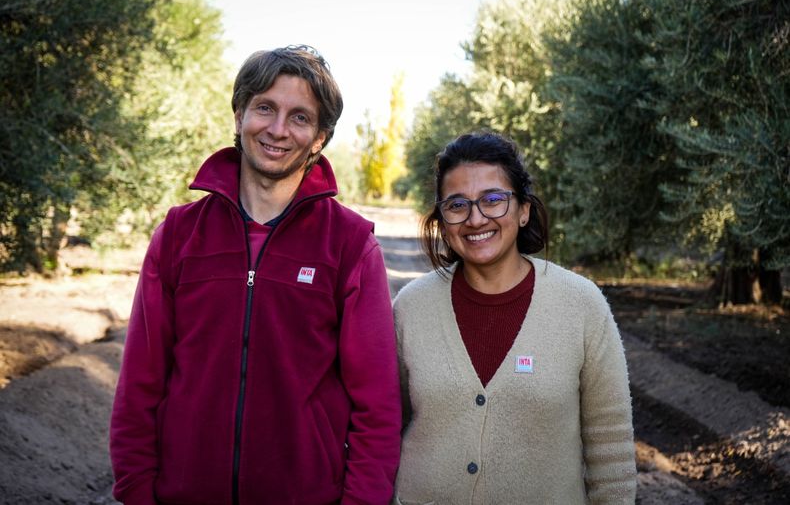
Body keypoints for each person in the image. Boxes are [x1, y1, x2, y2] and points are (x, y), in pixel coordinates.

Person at [110, 45, 401, 505]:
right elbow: (140, 382)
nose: (278, 129)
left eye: (300, 117)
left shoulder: (349, 244)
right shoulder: (178, 235)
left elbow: (377, 405)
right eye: (265, 107)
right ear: (240, 114)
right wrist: (136, 491)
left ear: (320, 138)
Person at [392, 131, 636, 504]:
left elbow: (611, 448)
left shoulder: (583, 306)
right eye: (457, 205)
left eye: (493, 200)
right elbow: (383, 426)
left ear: (523, 210)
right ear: (442, 219)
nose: (475, 219)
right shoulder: (410, 307)